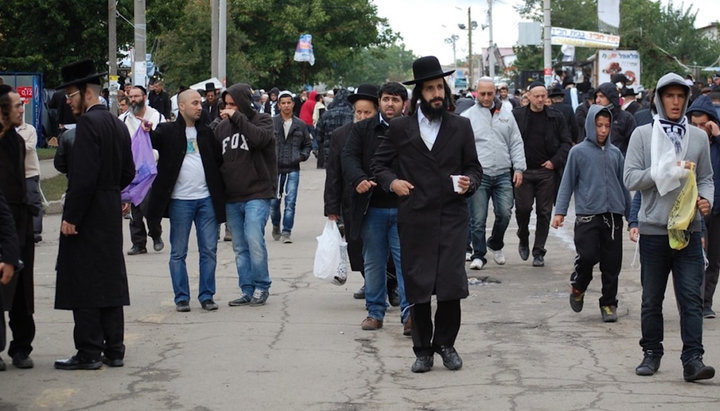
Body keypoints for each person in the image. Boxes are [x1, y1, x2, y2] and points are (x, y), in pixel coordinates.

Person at [372, 56, 482, 373]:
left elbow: (475, 168)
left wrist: (469, 182)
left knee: (450, 285)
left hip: (451, 216)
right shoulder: (399, 128)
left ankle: (446, 344)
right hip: (415, 217)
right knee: (418, 286)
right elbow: (380, 165)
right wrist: (392, 183)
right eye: (430, 88)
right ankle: (422, 350)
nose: (436, 93)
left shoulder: (461, 127)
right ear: (419, 93)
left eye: (440, 87)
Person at [624, 72, 715, 382]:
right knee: (652, 298)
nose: (675, 102)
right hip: (653, 230)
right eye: (669, 96)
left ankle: (693, 359)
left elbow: (706, 177)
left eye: (680, 96)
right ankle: (651, 352)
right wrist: (663, 171)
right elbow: (631, 178)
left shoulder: (698, 137)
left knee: (691, 297)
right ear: (659, 99)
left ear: (687, 100)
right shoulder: (642, 135)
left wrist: (706, 200)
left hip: (689, 231)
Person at [53, 60, 135, 370]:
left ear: (86, 93)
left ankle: (88, 350)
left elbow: (83, 176)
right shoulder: (115, 122)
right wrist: (111, 191)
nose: (67, 100)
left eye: (70, 94)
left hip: (88, 212)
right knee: (109, 279)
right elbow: (128, 170)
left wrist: (72, 216)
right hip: (109, 208)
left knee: (84, 280)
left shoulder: (88, 124)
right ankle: (114, 348)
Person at [148, 89, 225, 312]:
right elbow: (149, 143)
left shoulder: (208, 133)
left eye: (200, 103)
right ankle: (181, 297)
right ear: (181, 107)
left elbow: (219, 162)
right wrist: (146, 130)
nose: (199, 107)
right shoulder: (167, 131)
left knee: (209, 250)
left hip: (206, 200)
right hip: (180, 201)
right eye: (194, 103)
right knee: (178, 252)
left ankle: (207, 295)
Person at [551, 105, 630, 322]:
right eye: (599, 125)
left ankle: (608, 303)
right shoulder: (578, 152)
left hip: (613, 216)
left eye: (607, 126)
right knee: (587, 256)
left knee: (612, 263)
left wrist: (632, 219)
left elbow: (624, 186)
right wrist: (560, 211)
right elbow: (567, 182)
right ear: (589, 125)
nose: (603, 130)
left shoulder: (616, 154)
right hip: (587, 216)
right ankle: (578, 286)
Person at [342, 82, 410, 334]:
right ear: (379, 102)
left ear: (404, 103)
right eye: (386, 99)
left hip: (405, 207)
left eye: (395, 99)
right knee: (373, 262)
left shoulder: (412, 129)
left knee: (406, 261)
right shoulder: (362, 129)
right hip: (372, 207)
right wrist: (359, 179)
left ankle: (410, 313)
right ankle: (375, 312)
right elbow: (348, 157)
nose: (390, 104)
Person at [324, 86, 397, 302]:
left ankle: (391, 286)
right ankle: (372, 282)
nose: (363, 117)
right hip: (352, 200)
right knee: (358, 248)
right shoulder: (341, 135)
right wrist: (331, 207)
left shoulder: (390, 132)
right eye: (359, 112)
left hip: (382, 199)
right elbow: (334, 173)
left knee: (388, 249)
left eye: (368, 112)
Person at [215, 83, 276, 306]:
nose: (228, 109)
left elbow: (260, 139)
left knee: (254, 239)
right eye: (226, 104)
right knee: (240, 247)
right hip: (233, 197)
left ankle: (262, 285)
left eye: (234, 104)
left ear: (243, 104)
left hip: (258, 193)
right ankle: (247, 289)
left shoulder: (263, 120)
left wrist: (238, 118)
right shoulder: (221, 129)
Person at [461, 77, 526, 270]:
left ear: (495, 92)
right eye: (483, 93)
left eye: (490, 93)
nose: (487, 97)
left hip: (503, 173)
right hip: (479, 175)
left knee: (505, 213)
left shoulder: (506, 114)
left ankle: (495, 243)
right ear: (476, 93)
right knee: (478, 219)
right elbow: (461, 147)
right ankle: (479, 254)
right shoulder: (467, 117)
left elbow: (516, 141)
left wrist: (519, 168)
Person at [512, 81, 572, 267]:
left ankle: (539, 251)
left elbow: (566, 142)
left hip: (546, 172)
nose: (540, 99)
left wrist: (554, 161)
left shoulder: (556, 116)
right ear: (528, 96)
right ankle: (523, 236)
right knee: (523, 209)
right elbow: (510, 141)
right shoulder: (517, 116)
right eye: (536, 96)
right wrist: (515, 166)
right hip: (524, 171)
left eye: (543, 96)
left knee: (544, 212)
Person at [0, 85, 36, 370]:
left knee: (23, 288)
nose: (22, 110)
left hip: (19, 219)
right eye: (16, 105)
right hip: (3, 218)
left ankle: (21, 347)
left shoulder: (17, 141)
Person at [685, 95, 720, 318]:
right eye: (694, 125)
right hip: (691, 209)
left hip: (716, 210)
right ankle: (691, 302)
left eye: (703, 125)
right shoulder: (686, 144)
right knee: (692, 259)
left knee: (714, 258)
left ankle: (705, 302)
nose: (699, 129)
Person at [120, 85, 165, 256]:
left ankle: (156, 233)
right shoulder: (123, 119)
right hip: (132, 168)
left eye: (136, 96)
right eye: (130, 97)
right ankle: (138, 243)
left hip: (151, 167)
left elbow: (162, 138)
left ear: (145, 97)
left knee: (149, 205)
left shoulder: (156, 116)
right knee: (134, 206)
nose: (133, 100)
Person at [271, 90, 312, 243]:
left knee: (290, 201)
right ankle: (276, 225)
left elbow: (308, 144)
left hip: (293, 167)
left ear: (293, 104)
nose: (286, 106)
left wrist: (302, 156)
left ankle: (286, 231)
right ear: (279, 105)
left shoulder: (300, 124)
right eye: (283, 103)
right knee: (274, 202)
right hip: (275, 168)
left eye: (289, 103)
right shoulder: (272, 122)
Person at [16, 121, 43, 243]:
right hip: (12, 175)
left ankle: (35, 231)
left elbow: (30, 147)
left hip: (30, 173)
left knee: (33, 201)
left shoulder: (29, 129)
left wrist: (11, 145)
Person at [593, 82, 637, 155]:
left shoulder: (625, 118)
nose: (598, 100)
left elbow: (634, 144)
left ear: (611, 97)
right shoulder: (592, 116)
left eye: (601, 96)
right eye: (596, 97)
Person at [315, 89, 354, 169]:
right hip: (348, 152)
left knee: (332, 178)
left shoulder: (326, 114)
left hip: (329, 152)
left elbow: (319, 134)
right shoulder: (352, 114)